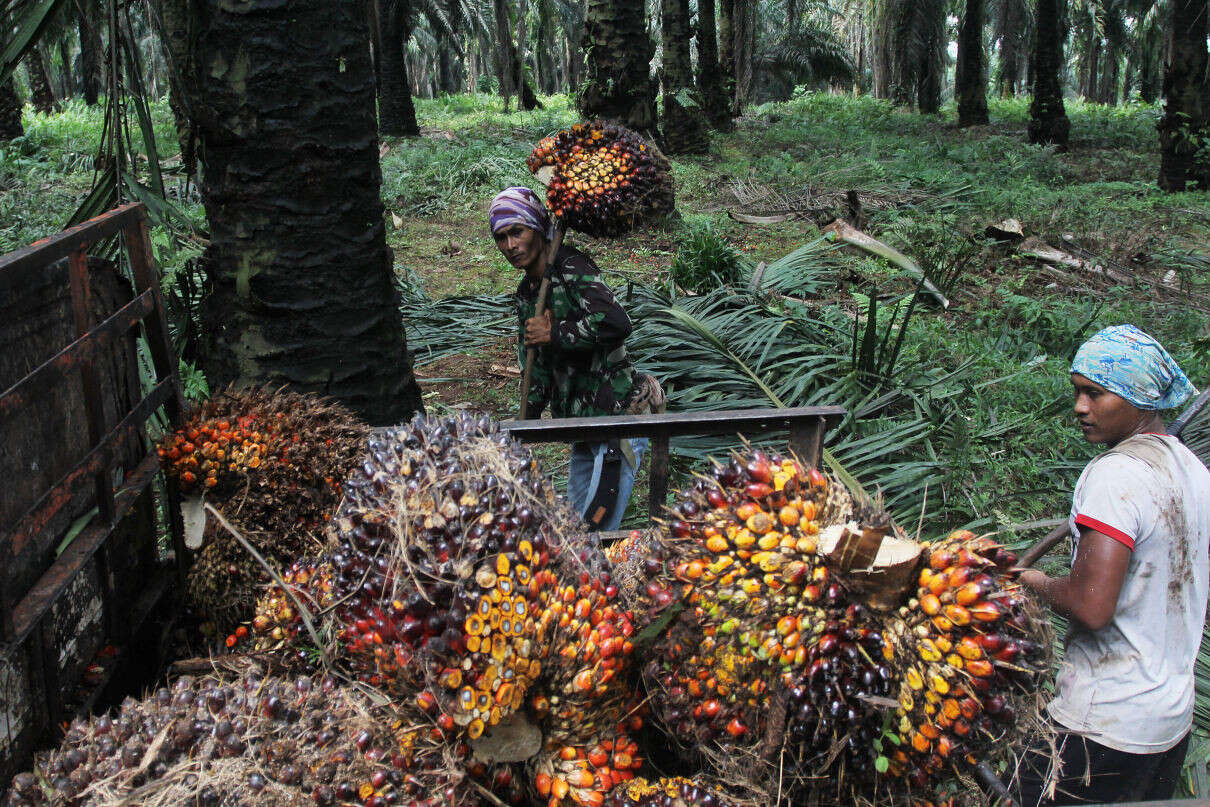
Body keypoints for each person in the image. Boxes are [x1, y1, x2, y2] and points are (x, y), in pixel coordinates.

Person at [1013, 324, 1209, 806]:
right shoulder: (1193, 471)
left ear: (1138, 398)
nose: (1080, 407)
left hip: (1101, 724)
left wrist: (1032, 580)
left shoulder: (1115, 475)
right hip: (1167, 723)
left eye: (1095, 394)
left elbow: (1092, 606)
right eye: (1077, 392)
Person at [488, 186, 661, 531]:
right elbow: (535, 370)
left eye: (517, 232)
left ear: (537, 229)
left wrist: (556, 334)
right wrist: (525, 427)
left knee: (595, 528)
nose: (510, 246)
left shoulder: (571, 267)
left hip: (618, 418)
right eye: (502, 237)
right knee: (573, 530)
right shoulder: (527, 295)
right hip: (581, 426)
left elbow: (616, 322)